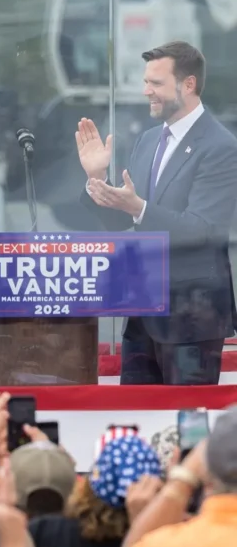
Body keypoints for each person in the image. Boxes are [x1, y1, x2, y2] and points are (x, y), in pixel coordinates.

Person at [77, 40, 237, 385]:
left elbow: (202, 229)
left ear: (188, 84)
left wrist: (139, 207)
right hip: (142, 312)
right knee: (135, 417)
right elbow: (123, 220)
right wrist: (97, 179)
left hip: (192, 319)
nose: (146, 90)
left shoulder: (221, 147)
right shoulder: (148, 140)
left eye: (156, 83)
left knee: (185, 427)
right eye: (146, 81)